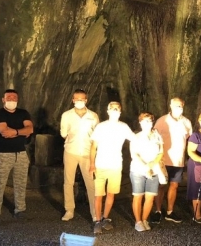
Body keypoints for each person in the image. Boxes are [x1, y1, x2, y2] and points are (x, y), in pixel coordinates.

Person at [89, 101, 136, 234]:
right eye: (112, 108)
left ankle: (105, 217)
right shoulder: (101, 126)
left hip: (115, 165)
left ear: (120, 112)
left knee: (111, 193)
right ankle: (97, 221)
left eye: (117, 108)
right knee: (98, 194)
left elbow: (135, 139)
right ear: (108, 111)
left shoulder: (123, 127)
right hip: (100, 164)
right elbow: (93, 147)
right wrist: (92, 164)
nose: (115, 110)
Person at [0, 89, 34, 225]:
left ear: (18, 99)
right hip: (4, 154)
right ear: (3, 99)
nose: (11, 99)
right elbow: (4, 132)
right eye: (8, 97)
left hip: (21, 153)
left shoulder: (23, 113)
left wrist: (14, 132)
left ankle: (20, 210)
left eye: (14, 97)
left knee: (21, 183)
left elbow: (30, 129)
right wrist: (21, 132)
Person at [59, 89, 99, 222]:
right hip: (70, 151)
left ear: (86, 100)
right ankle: (69, 210)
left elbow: (97, 135)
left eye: (82, 99)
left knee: (91, 183)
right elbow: (63, 133)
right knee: (68, 182)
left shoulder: (93, 116)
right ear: (73, 100)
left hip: (87, 152)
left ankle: (95, 212)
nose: (79, 101)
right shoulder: (67, 115)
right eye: (77, 99)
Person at [153, 97, 193, 224]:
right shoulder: (162, 121)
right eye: (176, 106)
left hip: (178, 160)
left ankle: (170, 212)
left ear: (183, 105)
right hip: (163, 160)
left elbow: (189, 139)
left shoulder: (187, 122)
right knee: (161, 185)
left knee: (174, 186)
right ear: (170, 106)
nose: (178, 108)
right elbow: (154, 138)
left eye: (180, 106)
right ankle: (158, 211)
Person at [129, 112, 163, 232]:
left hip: (154, 170)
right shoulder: (136, 137)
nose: (147, 123)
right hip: (138, 170)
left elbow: (161, 152)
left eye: (149, 121)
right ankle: (138, 221)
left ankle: (144, 219)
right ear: (140, 122)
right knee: (138, 196)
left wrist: (152, 164)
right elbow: (134, 154)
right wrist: (146, 167)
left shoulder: (157, 136)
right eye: (144, 121)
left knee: (150, 196)